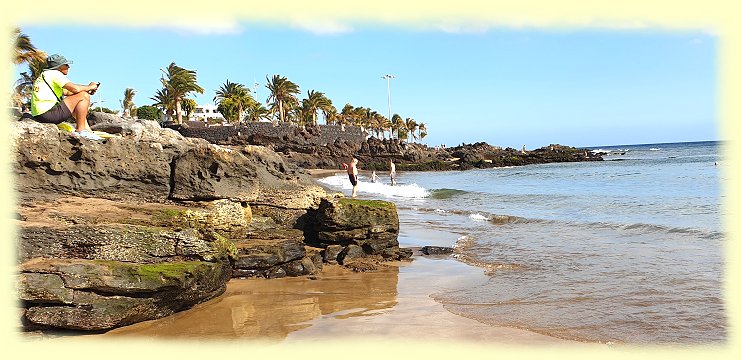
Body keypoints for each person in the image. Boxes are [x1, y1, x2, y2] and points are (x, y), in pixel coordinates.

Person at [30, 54, 102, 140]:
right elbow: (75, 89)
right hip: (48, 114)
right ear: (59, 67)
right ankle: (81, 130)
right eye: (66, 65)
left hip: (39, 115)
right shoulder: (55, 74)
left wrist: (87, 90)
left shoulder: (45, 75)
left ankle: (88, 130)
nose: (69, 67)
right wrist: (90, 87)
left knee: (81, 97)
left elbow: (67, 92)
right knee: (83, 96)